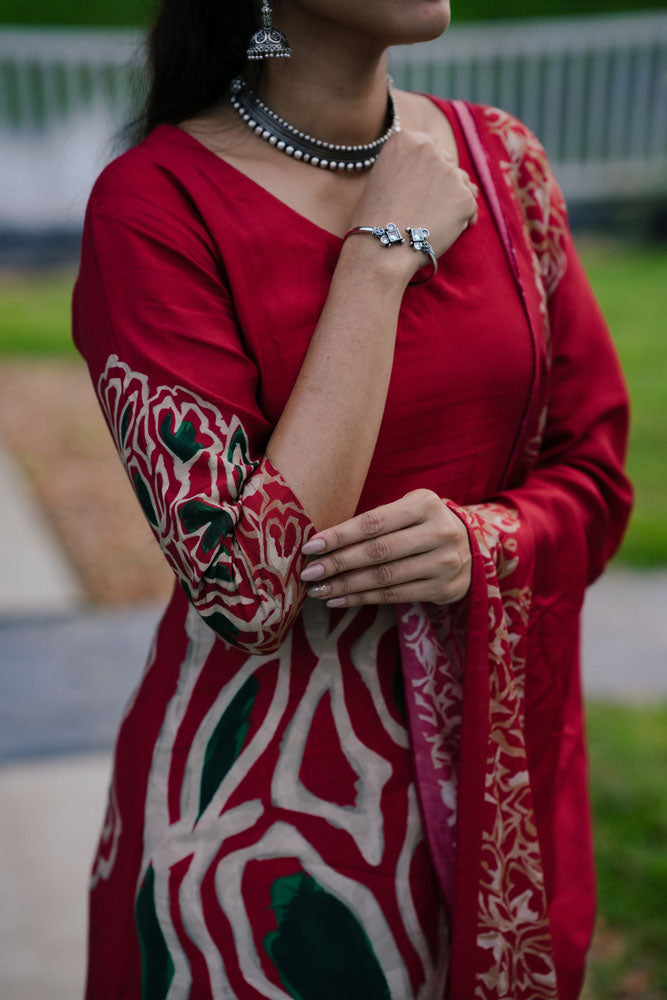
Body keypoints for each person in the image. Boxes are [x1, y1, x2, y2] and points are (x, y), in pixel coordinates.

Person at [72, 1, 632, 998]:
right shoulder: (154, 206)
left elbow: (593, 467)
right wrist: (380, 259)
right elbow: (249, 589)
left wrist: (488, 539)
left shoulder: (501, 163)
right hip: (253, 855)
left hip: (484, 805)